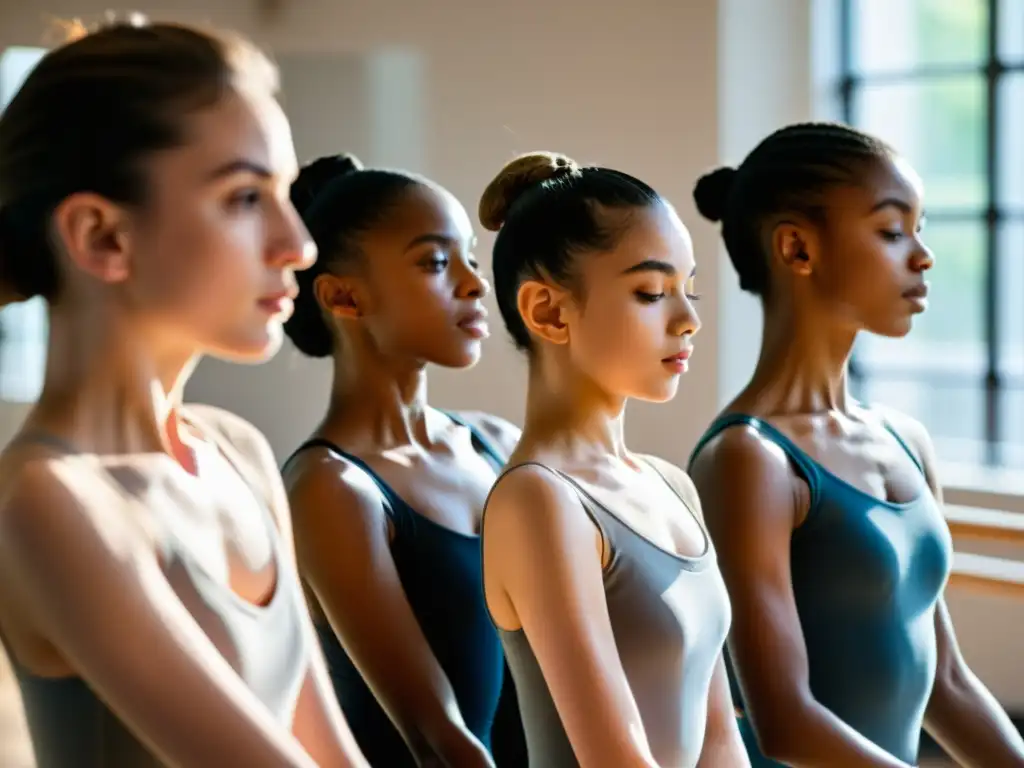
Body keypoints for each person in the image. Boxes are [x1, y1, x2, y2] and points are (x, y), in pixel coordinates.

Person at [0, 19, 370, 768]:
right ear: (102, 236)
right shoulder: (46, 501)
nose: (298, 242)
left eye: (286, 192)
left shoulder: (238, 452)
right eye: (244, 197)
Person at [688, 122, 1024, 767]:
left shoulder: (906, 441)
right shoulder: (746, 460)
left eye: (919, 229)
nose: (922, 255)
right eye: (893, 230)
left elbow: (946, 684)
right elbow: (785, 723)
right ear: (796, 248)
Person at [478, 151, 749, 768]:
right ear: (548, 312)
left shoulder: (672, 486)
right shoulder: (537, 499)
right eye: (652, 292)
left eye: (690, 289)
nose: (689, 320)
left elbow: (719, 740)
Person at [280, 154, 526, 768]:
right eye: (436, 263)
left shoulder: (497, 443)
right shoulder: (330, 488)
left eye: (471, 257)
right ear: (344, 297)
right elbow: (436, 740)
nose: (475, 283)